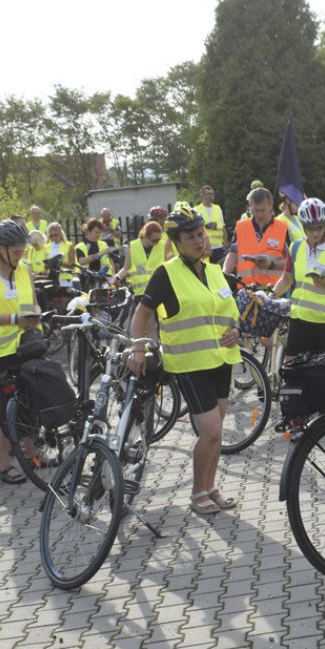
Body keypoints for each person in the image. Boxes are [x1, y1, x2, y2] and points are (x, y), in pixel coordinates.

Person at [128, 210, 240, 515]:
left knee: (215, 433)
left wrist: (236, 330)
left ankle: (210, 486)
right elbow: (142, 314)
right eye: (190, 236)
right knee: (211, 431)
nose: (198, 240)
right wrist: (138, 348)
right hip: (190, 365)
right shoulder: (166, 273)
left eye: (200, 234)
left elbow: (231, 312)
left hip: (221, 360)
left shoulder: (214, 270)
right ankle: (195, 493)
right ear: (177, 242)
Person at [0, 220, 42, 484]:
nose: (20, 254)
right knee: (3, 414)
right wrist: (14, 320)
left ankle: (33, 456)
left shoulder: (24, 269)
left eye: (22, 250)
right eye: (15, 251)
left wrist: (34, 314)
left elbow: (33, 302)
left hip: (28, 346)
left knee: (29, 405)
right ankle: (4, 465)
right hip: (2, 353)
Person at [272, 198, 325, 361]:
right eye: (310, 229)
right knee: (292, 368)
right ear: (303, 227)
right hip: (301, 319)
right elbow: (286, 279)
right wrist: (271, 296)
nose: (316, 233)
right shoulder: (295, 248)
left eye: (319, 228)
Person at [224, 187, 290, 287]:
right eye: (256, 210)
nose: (259, 215)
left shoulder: (282, 228)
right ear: (250, 206)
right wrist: (223, 275)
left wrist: (272, 265)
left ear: (270, 205)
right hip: (246, 289)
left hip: (273, 291)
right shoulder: (241, 227)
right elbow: (232, 254)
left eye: (262, 210)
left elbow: (291, 261)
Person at [121, 220, 167, 297]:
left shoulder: (163, 245)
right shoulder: (133, 246)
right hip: (139, 294)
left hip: (158, 293)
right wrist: (114, 280)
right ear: (145, 236)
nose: (157, 242)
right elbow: (126, 268)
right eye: (154, 240)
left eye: (159, 239)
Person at [196, 185, 227, 263]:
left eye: (212, 194)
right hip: (205, 248)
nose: (210, 196)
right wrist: (206, 226)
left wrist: (226, 246)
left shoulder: (217, 208)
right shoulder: (197, 209)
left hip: (218, 247)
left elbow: (223, 227)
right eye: (208, 194)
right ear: (202, 195)